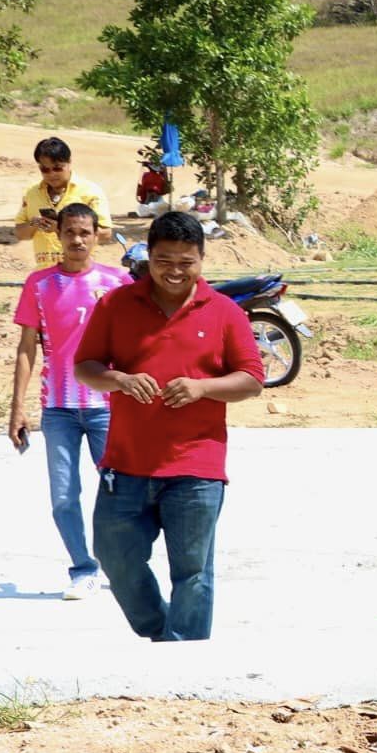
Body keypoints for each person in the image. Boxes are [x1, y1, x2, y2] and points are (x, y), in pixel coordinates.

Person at [73, 211, 263, 641]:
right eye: (165, 261)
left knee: (193, 571)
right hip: (127, 463)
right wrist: (119, 379)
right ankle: (163, 634)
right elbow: (85, 366)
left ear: (201, 259)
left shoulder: (224, 313)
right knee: (113, 555)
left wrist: (203, 388)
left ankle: (186, 665)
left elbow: (252, 379)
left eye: (186, 261)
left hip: (196, 466)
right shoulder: (116, 305)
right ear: (149, 257)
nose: (175, 271)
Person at [7, 203, 135, 600]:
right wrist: (17, 408)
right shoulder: (39, 284)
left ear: (97, 234)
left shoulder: (118, 282)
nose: (77, 240)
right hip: (58, 409)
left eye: (85, 232)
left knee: (119, 491)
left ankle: (124, 564)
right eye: (70, 232)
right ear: (57, 235)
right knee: (63, 496)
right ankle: (83, 568)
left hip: (107, 407)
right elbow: (27, 348)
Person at [12, 137, 111, 269]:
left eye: (57, 168)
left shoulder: (90, 192)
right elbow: (20, 234)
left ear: (69, 162)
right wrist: (35, 223)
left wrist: (62, 229)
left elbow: (105, 233)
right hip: (44, 273)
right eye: (45, 170)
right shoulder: (32, 193)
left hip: (80, 272)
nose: (52, 174)